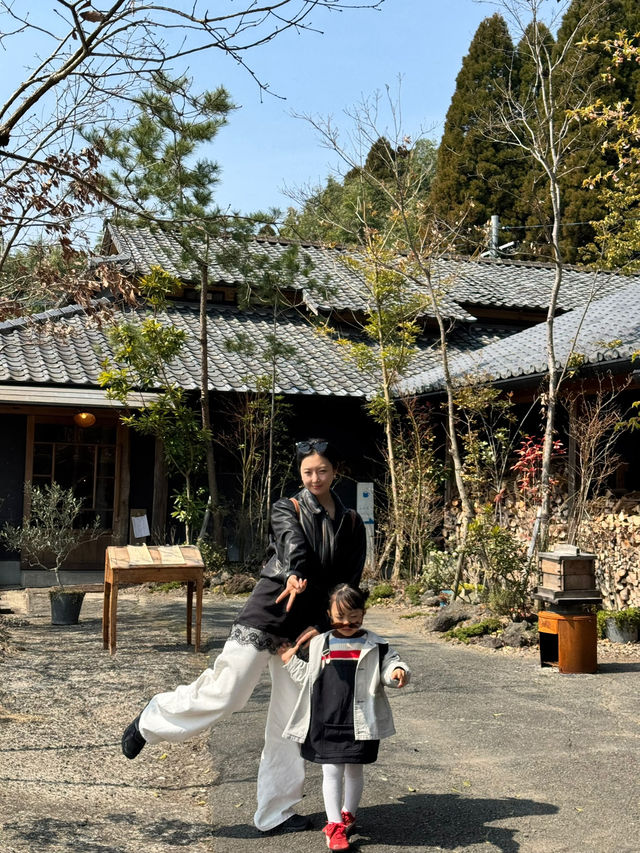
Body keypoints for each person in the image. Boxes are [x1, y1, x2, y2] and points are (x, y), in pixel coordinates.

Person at [121, 438, 367, 835]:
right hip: (271, 609)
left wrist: (323, 627)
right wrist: (295, 575)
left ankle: (276, 812)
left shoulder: (352, 523)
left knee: (292, 721)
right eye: (308, 472)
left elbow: (349, 582)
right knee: (228, 692)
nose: (316, 478)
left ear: (334, 470)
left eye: (322, 470)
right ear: (300, 474)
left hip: (307, 628)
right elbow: (293, 548)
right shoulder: (287, 508)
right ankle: (152, 718)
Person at [278, 583, 410, 851]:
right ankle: (334, 824)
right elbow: (308, 678)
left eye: (354, 617)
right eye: (340, 617)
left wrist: (397, 673)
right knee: (331, 771)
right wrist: (290, 661)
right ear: (328, 614)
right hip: (325, 720)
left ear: (363, 613)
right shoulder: (320, 643)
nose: (347, 623)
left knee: (354, 770)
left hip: (359, 721)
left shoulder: (376, 644)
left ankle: (349, 813)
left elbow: (390, 667)